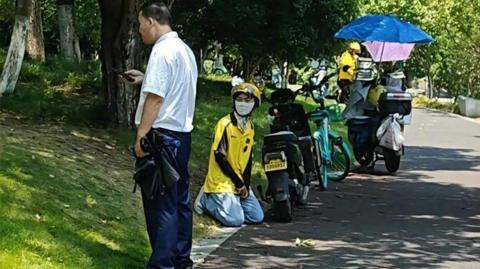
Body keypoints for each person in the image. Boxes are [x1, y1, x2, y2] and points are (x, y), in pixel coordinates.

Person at [121, 2, 197, 269]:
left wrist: (141, 136)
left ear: (152, 21)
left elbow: (156, 99)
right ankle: (181, 259)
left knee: (160, 204)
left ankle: (162, 264)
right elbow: (174, 85)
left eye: (141, 23)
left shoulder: (162, 51)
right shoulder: (184, 51)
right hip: (182, 136)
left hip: (162, 137)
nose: (139, 30)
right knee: (180, 201)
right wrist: (146, 78)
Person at [193, 83, 264, 227]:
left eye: (247, 100)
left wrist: (246, 185)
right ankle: (206, 199)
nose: (243, 103)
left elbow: (248, 159)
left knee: (257, 217)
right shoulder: (225, 124)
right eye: (240, 99)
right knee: (236, 220)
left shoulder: (250, 127)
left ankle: (234, 203)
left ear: (255, 104)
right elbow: (220, 157)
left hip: (238, 182)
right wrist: (239, 184)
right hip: (222, 182)